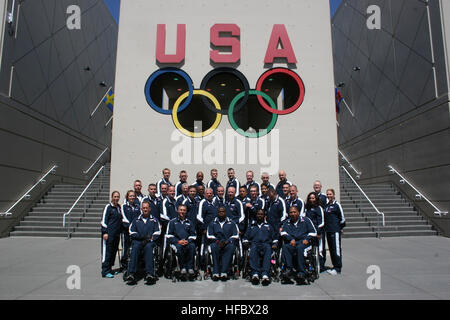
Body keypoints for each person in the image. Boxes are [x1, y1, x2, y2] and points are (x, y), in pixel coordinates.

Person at [125, 200, 161, 285]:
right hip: (138, 241)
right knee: (135, 247)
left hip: (149, 242)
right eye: (143, 208)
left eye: (147, 208)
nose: (145, 209)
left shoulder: (154, 220)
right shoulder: (136, 220)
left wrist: (150, 239)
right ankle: (131, 273)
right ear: (141, 209)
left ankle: (149, 274)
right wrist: (141, 237)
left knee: (149, 248)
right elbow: (131, 231)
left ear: (150, 209)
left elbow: (157, 232)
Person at [280, 206, 317, 284]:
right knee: (286, 247)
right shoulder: (287, 222)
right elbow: (283, 232)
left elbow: (313, 232)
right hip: (293, 242)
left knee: (300, 248)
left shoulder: (306, 220)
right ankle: (289, 269)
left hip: (304, 243)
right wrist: (290, 239)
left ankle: (301, 272)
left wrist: (307, 239)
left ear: (298, 212)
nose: (293, 214)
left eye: (294, 212)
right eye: (291, 212)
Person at [243, 209, 277, 286]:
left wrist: (275, 244)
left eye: (261, 214)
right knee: (253, 249)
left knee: (268, 249)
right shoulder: (251, 226)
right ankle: (255, 274)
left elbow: (275, 238)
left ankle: (265, 274)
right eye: (258, 214)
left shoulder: (268, 226)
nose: (260, 216)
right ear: (256, 215)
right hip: (254, 244)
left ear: (264, 216)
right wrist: (246, 243)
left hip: (266, 244)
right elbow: (245, 237)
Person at [207, 207, 240, 281]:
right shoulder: (212, 223)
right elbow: (209, 235)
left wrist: (227, 241)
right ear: (217, 213)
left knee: (231, 247)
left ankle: (224, 272)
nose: (221, 213)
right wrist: (217, 242)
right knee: (213, 247)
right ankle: (215, 272)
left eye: (223, 211)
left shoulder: (231, 223)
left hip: (227, 242)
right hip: (217, 242)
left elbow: (236, 235)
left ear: (226, 212)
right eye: (220, 212)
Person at [166, 204, 197, 281]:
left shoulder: (189, 222)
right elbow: (168, 235)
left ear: (186, 211)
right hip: (177, 243)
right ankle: (182, 267)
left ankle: (190, 268)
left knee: (192, 246)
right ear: (177, 210)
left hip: (187, 242)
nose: (182, 212)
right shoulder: (172, 222)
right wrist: (178, 241)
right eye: (181, 210)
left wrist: (188, 241)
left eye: (184, 210)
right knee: (179, 248)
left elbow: (193, 235)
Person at [323, 189, 345, 275]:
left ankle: (338, 267)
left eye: (330, 194)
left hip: (335, 231)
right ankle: (334, 266)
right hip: (328, 231)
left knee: (336, 249)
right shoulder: (327, 205)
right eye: (327, 194)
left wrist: (340, 227)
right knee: (331, 249)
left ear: (334, 195)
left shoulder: (337, 205)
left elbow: (342, 218)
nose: (329, 196)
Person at [101, 191, 122, 278]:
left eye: (118, 197)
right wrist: (105, 232)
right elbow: (103, 221)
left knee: (113, 252)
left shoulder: (119, 207)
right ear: (112, 197)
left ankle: (110, 269)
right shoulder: (108, 207)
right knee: (107, 252)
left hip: (116, 234)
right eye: (115, 196)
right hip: (109, 234)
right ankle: (105, 271)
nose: (116, 198)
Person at [304, 192, 325, 272]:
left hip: (317, 233)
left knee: (319, 251)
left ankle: (321, 267)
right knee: (309, 250)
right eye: (310, 198)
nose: (311, 200)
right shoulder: (307, 208)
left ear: (316, 199)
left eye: (313, 198)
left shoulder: (319, 208)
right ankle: (310, 266)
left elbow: (321, 222)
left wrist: (318, 232)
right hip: (309, 232)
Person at [120, 190, 141, 271]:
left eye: (133, 196)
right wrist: (131, 227)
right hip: (126, 232)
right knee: (125, 248)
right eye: (130, 196)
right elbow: (124, 218)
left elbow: (139, 218)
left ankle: (135, 265)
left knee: (135, 248)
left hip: (135, 232)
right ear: (127, 197)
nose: (132, 197)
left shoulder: (137, 207)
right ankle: (124, 266)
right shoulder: (124, 206)